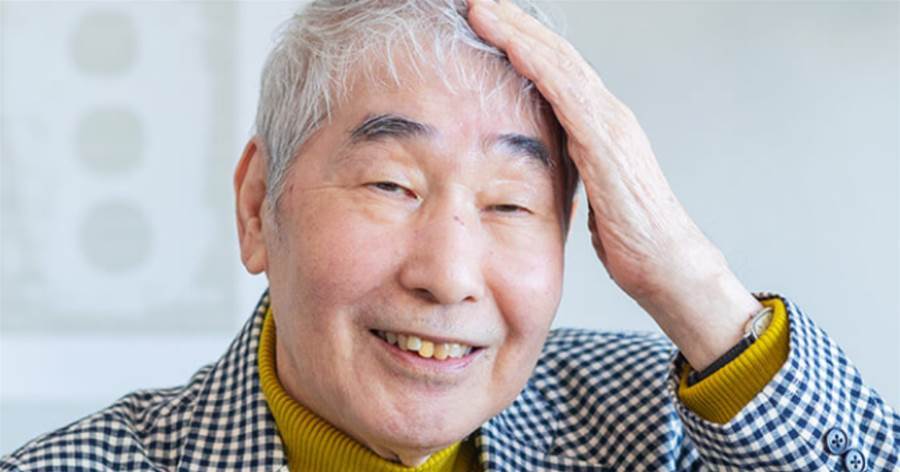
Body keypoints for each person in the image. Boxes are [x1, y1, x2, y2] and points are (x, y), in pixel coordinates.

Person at [3, 0, 898, 470]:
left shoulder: (663, 431)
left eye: (510, 204)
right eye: (392, 185)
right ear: (256, 208)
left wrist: (687, 274)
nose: (450, 273)